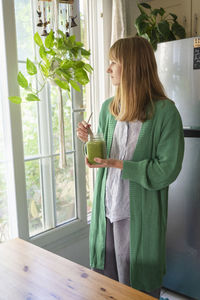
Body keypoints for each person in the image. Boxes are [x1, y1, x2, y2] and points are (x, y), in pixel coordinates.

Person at [76, 36, 184, 299]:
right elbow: (102, 157)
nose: (108, 68)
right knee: (106, 284)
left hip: (138, 215)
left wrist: (120, 165)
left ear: (133, 66)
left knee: (136, 289)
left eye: (114, 62)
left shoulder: (165, 113)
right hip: (107, 209)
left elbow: (167, 169)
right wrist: (88, 142)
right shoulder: (107, 109)